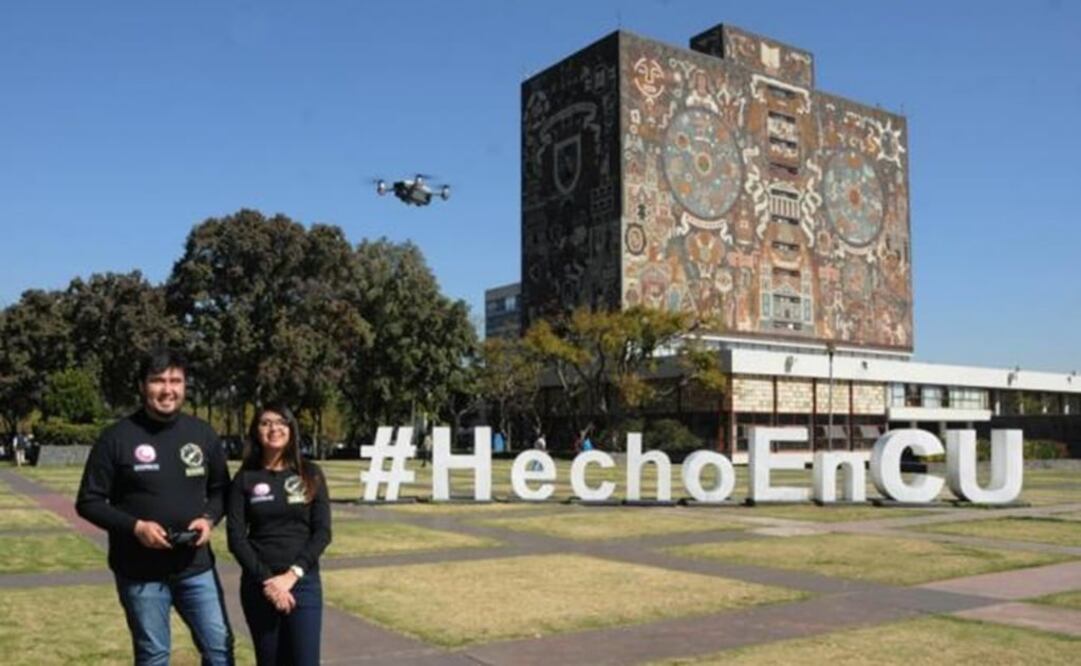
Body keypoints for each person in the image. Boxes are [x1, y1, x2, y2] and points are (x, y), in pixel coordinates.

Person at [75, 348, 233, 665]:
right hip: (139, 571)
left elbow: (221, 490)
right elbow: (89, 501)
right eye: (157, 380)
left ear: (185, 385)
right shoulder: (116, 437)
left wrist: (208, 518)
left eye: (175, 380)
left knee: (219, 649)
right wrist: (136, 528)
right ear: (142, 385)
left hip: (195, 567)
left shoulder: (202, 433)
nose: (167, 389)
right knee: (154, 655)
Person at [228, 404, 331, 666]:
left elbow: (322, 532)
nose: (274, 428)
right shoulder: (245, 479)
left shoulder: (311, 474)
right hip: (260, 585)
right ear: (256, 431)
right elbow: (236, 538)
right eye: (265, 423)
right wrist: (269, 582)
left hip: (303, 582)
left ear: (291, 429)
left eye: (281, 422)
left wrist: (291, 575)